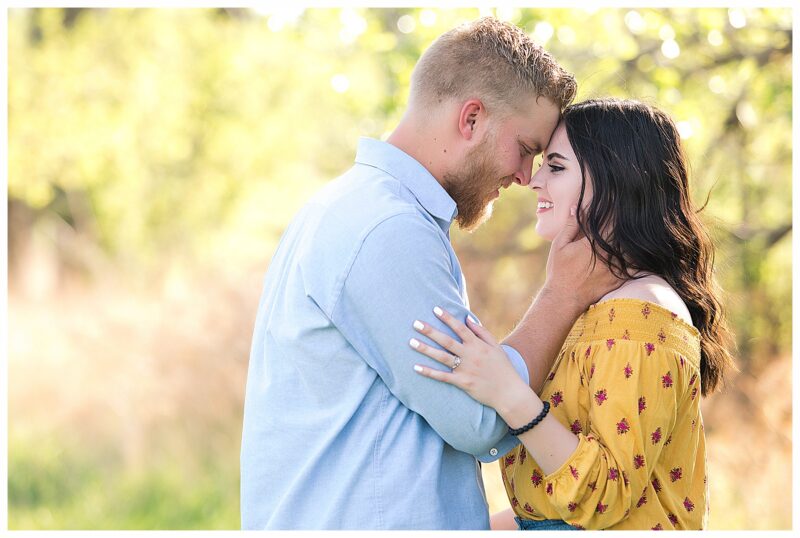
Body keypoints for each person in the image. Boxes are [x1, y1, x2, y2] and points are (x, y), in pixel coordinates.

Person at [240, 18, 620, 530]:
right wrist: (563, 295)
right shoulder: (387, 230)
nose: (524, 176)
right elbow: (480, 417)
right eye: (526, 149)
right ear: (471, 120)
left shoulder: (356, 207)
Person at [410, 98, 736, 530]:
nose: (534, 180)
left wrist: (508, 392)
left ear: (615, 183)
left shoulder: (643, 310)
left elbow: (603, 496)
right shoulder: (600, 304)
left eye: (557, 167)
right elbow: (551, 506)